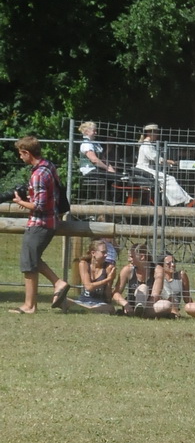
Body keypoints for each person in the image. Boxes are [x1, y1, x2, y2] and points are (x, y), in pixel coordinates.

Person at [9, 136, 69, 314]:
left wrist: (20, 201)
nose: (20, 157)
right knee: (33, 260)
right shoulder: (48, 166)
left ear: (27, 152)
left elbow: (39, 206)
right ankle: (57, 284)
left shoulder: (38, 175)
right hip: (50, 221)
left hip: (40, 223)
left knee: (28, 263)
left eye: (21, 154)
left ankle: (30, 305)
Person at [135, 123, 192, 207]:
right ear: (149, 133)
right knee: (169, 179)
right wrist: (170, 162)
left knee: (167, 179)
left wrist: (168, 163)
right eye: (156, 132)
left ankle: (187, 199)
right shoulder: (147, 145)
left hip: (147, 169)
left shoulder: (148, 144)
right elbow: (156, 158)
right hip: (144, 170)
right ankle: (184, 201)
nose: (157, 135)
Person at [76, 120, 118, 199]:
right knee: (114, 177)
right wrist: (106, 168)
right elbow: (94, 160)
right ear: (87, 132)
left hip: (98, 169)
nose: (96, 133)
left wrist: (110, 168)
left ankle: (111, 200)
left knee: (118, 176)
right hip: (90, 171)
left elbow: (103, 158)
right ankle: (107, 201)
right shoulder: (86, 144)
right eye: (94, 131)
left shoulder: (95, 143)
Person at [72, 237, 117, 311]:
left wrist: (110, 281)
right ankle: (89, 309)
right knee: (64, 300)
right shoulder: (84, 264)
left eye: (106, 252)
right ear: (93, 253)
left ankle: (85, 309)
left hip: (100, 303)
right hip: (83, 300)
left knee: (110, 308)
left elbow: (108, 294)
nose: (106, 255)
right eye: (103, 252)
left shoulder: (108, 267)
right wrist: (108, 279)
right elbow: (88, 287)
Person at [114, 244, 157, 316]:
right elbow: (116, 293)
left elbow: (156, 295)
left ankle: (143, 312)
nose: (129, 259)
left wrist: (148, 308)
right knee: (143, 287)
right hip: (131, 305)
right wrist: (125, 304)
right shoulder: (127, 270)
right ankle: (138, 311)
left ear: (142, 257)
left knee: (166, 305)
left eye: (132, 257)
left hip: (150, 305)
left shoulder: (156, 270)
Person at [150, 251, 191, 318]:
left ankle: (173, 312)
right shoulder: (157, 278)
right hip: (162, 306)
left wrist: (193, 308)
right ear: (162, 265)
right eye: (168, 263)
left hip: (175, 307)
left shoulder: (181, 275)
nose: (173, 265)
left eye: (174, 262)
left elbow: (187, 298)